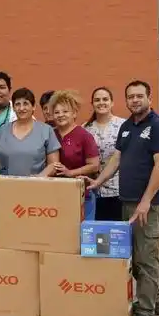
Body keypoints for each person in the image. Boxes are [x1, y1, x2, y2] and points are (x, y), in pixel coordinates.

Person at [84, 80, 159, 316]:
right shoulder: (126, 127)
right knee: (132, 258)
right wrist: (98, 181)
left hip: (149, 205)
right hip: (126, 201)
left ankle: (144, 313)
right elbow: (117, 158)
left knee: (147, 259)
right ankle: (154, 300)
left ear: (149, 97)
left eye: (139, 96)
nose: (135, 100)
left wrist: (146, 202)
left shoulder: (158, 127)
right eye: (131, 97)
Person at [49, 90, 100, 219]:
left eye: (65, 111)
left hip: (81, 195)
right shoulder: (50, 134)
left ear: (74, 113)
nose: (60, 115)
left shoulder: (84, 136)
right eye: (56, 112)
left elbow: (94, 165)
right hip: (55, 196)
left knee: (81, 236)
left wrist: (70, 173)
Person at [0, 88, 60, 177]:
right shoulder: (3, 130)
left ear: (33, 106)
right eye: (17, 104)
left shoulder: (46, 130)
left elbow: (54, 164)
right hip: (6, 186)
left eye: (25, 104)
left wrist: (40, 177)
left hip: (37, 186)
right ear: (13, 108)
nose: (21, 108)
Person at [83, 87, 126, 221]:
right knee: (97, 235)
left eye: (105, 99)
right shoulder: (85, 128)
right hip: (93, 190)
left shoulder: (123, 126)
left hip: (118, 189)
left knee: (115, 234)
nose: (101, 103)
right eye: (97, 100)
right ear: (92, 104)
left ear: (112, 103)